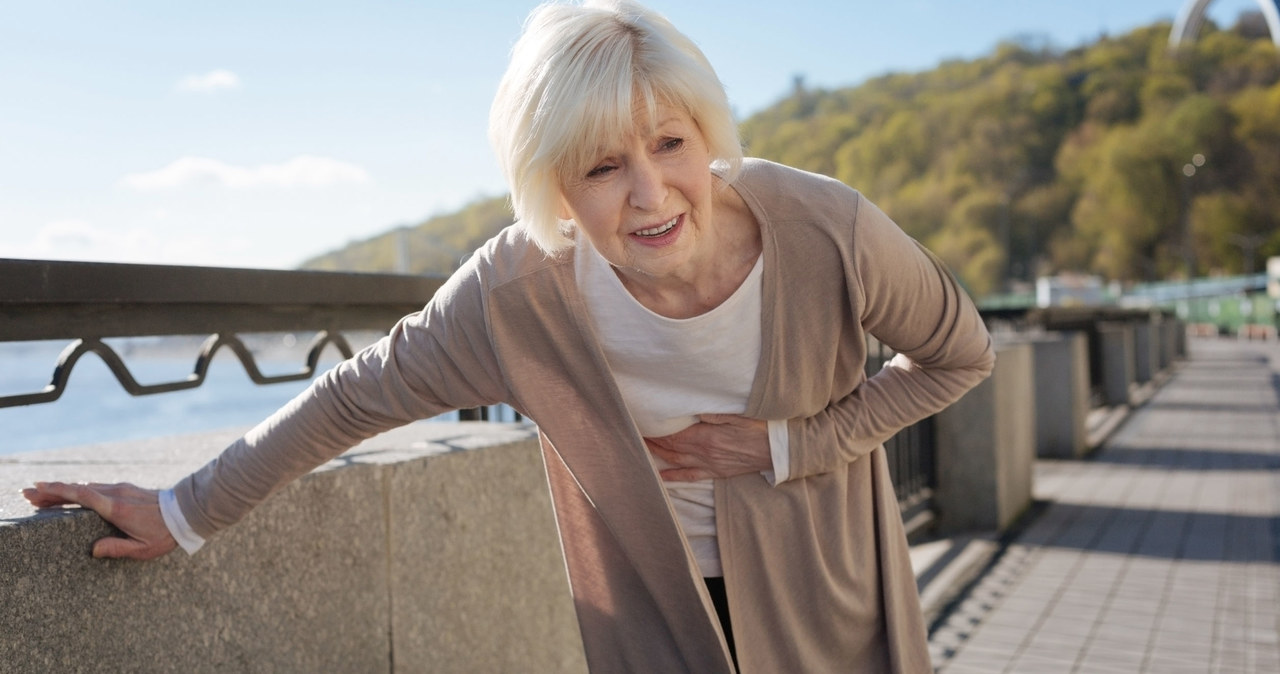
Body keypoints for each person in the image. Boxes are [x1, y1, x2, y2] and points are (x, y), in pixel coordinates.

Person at [24, 1, 995, 671]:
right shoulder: (518, 291)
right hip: (655, 613)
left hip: (825, 581)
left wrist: (785, 443)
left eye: (669, 143)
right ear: (554, 187)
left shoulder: (822, 226)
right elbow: (353, 394)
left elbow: (959, 353)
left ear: (706, 133)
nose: (651, 194)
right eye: (602, 164)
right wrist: (183, 510)